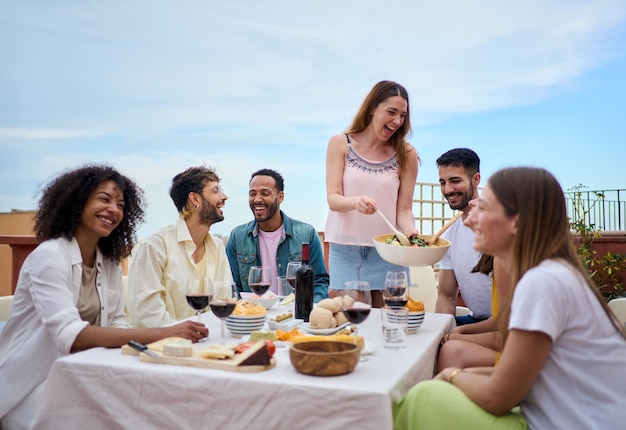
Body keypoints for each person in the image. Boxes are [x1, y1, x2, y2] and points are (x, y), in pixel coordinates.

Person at [394, 167, 626, 429]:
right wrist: (453, 376)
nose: (471, 219)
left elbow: (500, 396)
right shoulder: (552, 273)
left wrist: (452, 374)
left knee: (423, 399)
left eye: (483, 208)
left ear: (515, 221)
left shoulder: (543, 282)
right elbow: (518, 377)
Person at [0, 165, 207, 430]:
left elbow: (117, 323)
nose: (114, 209)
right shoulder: (49, 258)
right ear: (78, 201)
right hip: (30, 385)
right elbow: (71, 336)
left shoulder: (107, 261)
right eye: (104, 199)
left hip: (81, 373)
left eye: (120, 204)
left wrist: (158, 353)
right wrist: (163, 333)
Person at [324, 80, 419, 307]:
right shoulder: (340, 144)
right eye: (391, 112)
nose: (397, 121)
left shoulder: (407, 153)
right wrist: (356, 202)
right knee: (352, 324)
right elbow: (333, 199)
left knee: (389, 323)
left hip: (390, 252)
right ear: (373, 108)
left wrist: (411, 234)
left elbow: (404, 210)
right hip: (346, 250)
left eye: (403, 115)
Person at [126, 166, 233, 328]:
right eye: (216, 190)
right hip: (163, 346)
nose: (224, 196)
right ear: (195, 199)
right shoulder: (154, 247)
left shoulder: (217, 247)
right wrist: (187, 335)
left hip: (208, 343)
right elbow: (147, 316)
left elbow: (225, 301)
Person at [226, 168, 329, 302]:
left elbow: (319, 282)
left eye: (265, 193)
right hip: (254, 315)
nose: (257, 199)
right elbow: (233, 285)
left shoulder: (306, 234)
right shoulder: (237, 237)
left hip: (292, 315)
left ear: (280, 197)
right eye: (252, 194)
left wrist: (309, 308)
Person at [437, 199, 512, 372]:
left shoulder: (511, 265)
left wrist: (452, 338)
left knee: (449, 349)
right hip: (496, 331)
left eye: (480, 211)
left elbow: (510, 338)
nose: (468, 221)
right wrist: (459, 332)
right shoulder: (499, 258)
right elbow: (500, 320)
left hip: (519, 357)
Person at [435, 148, 492, 325]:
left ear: (476, 180)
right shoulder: (449, 234)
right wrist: (440, 332)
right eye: (442, 182)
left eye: (455, 181)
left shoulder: (499, 224)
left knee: (451, 348)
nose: (448, 189)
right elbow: (446, 295)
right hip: (476, 318)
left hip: (508, 322)